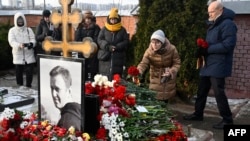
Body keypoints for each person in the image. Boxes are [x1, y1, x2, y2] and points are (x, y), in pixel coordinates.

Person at [183, 1, 238, 129]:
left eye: (211, 12)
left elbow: (228, 45)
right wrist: (201, 50)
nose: (209, 15)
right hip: (208, 64)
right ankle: (198, 114)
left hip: (219, 65)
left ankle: (227, 120)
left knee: (219, 93)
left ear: (220, 10)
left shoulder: (228, 24)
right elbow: (210, 43)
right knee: (201, 91)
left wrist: (207, 49)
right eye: (208, 12)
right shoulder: (214, 24)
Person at [137, 30, 181, 103]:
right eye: (153, 42)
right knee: (155, 103)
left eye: (157, 42)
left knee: (166, 103)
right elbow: (143, 63)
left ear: (162, 42)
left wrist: (171, 71)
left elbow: (177, 63)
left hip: (168, 81)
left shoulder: (172, 49)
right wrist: (138, 71)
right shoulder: (149, 51)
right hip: (155, 80)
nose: (154, 45)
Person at [97, 8, 129, 80]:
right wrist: (107, 46)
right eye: (112, 19)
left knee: (116, 79)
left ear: (118, 19)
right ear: (109, 19)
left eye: (115, 19)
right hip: (105, 57)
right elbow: (99, 40)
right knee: (104, 79)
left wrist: (117, 47)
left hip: (118, 58)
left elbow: (126, 41)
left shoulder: (122, 30)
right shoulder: (104, 29)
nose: (113, 21)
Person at [8, 12, 36, 88]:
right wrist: (19, 45)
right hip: (18, 56)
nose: (20, 22)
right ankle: (20, 89)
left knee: (29, 73)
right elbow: (11, 41)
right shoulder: (12, 31)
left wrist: (31, 44)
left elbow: (33, 39)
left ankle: (28, 87)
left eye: (21, 21)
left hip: (29, 55)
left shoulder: (29, 30)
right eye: (18, 21)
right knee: (19, 74)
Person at [49, 65, 82, 131]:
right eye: (52, 88)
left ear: (69, 91)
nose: (53, 94)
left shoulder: (66, 123)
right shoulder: (77, 110)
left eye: (57, 89)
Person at [75, 10, 100, 81]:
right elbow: (77, 38)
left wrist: (91, 46)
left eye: (89, 19)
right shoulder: (80, 27)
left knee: (93, 70)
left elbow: (97, 38)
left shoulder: (96, 27)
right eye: (86, 19)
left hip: (93, 52)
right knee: (83, 69)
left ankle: (92, 84)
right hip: (82, 52)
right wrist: (83, 46)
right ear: (84, 19)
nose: (88, 20)